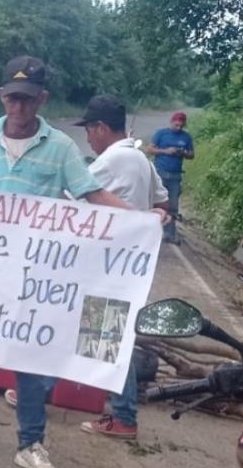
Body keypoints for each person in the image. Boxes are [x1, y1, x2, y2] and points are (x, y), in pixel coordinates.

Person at [0, 56, 165, 468]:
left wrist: (140, 219)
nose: (18, 108)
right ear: (1, 96)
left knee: (30, 356)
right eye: (11, 99)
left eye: (27, 100)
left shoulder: (60, 148)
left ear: (42, 99)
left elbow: (91, 194)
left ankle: (30, 443)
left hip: (33, 278)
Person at [71, 94, 169, 439]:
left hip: (108, 264)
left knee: (108, 335)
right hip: (127, 265)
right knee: (104, 333)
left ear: (101, 128)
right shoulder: (141, 159)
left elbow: (71, 192)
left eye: (89, 130)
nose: (87, 138)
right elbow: (163, 199)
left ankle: (124, 416)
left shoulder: (113, 160)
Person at [145, 111, 194, 243]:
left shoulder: (186, 137)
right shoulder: (161, 133)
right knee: (156, 203)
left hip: (175, 174)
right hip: (160, 172)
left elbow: (192, 155)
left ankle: (169, 233)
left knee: (173, 205)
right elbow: (149, 149)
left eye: (181, 126)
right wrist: (165, 151)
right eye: (176, 125)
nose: (178, 128)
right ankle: (149, 231)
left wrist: (183, 153)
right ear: (172, 122)